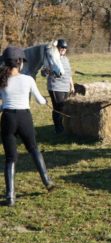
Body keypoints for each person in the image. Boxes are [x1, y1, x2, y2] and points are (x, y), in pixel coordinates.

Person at [0, 46, 55, 206]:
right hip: (24, 117)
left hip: (8, 118)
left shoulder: (1, 79)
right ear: (20, 63)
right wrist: (45, 101)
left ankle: (10, 196)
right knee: (33, 149)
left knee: (10, 158)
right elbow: (39, 100)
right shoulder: (28, 79)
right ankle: (47, 181)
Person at [42, 39, 74, 133]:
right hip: (55, 86)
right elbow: (44, 72)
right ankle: (58, 129)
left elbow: (69, 73)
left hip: (65, 87)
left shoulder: (66, 59)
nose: (63, 49)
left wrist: (71, 86)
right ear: (57, 48)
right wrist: (47, 72)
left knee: (64, 107)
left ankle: (63, 126)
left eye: (65, 48)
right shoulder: (53, 58)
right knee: (58, 108)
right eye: (61, 47)